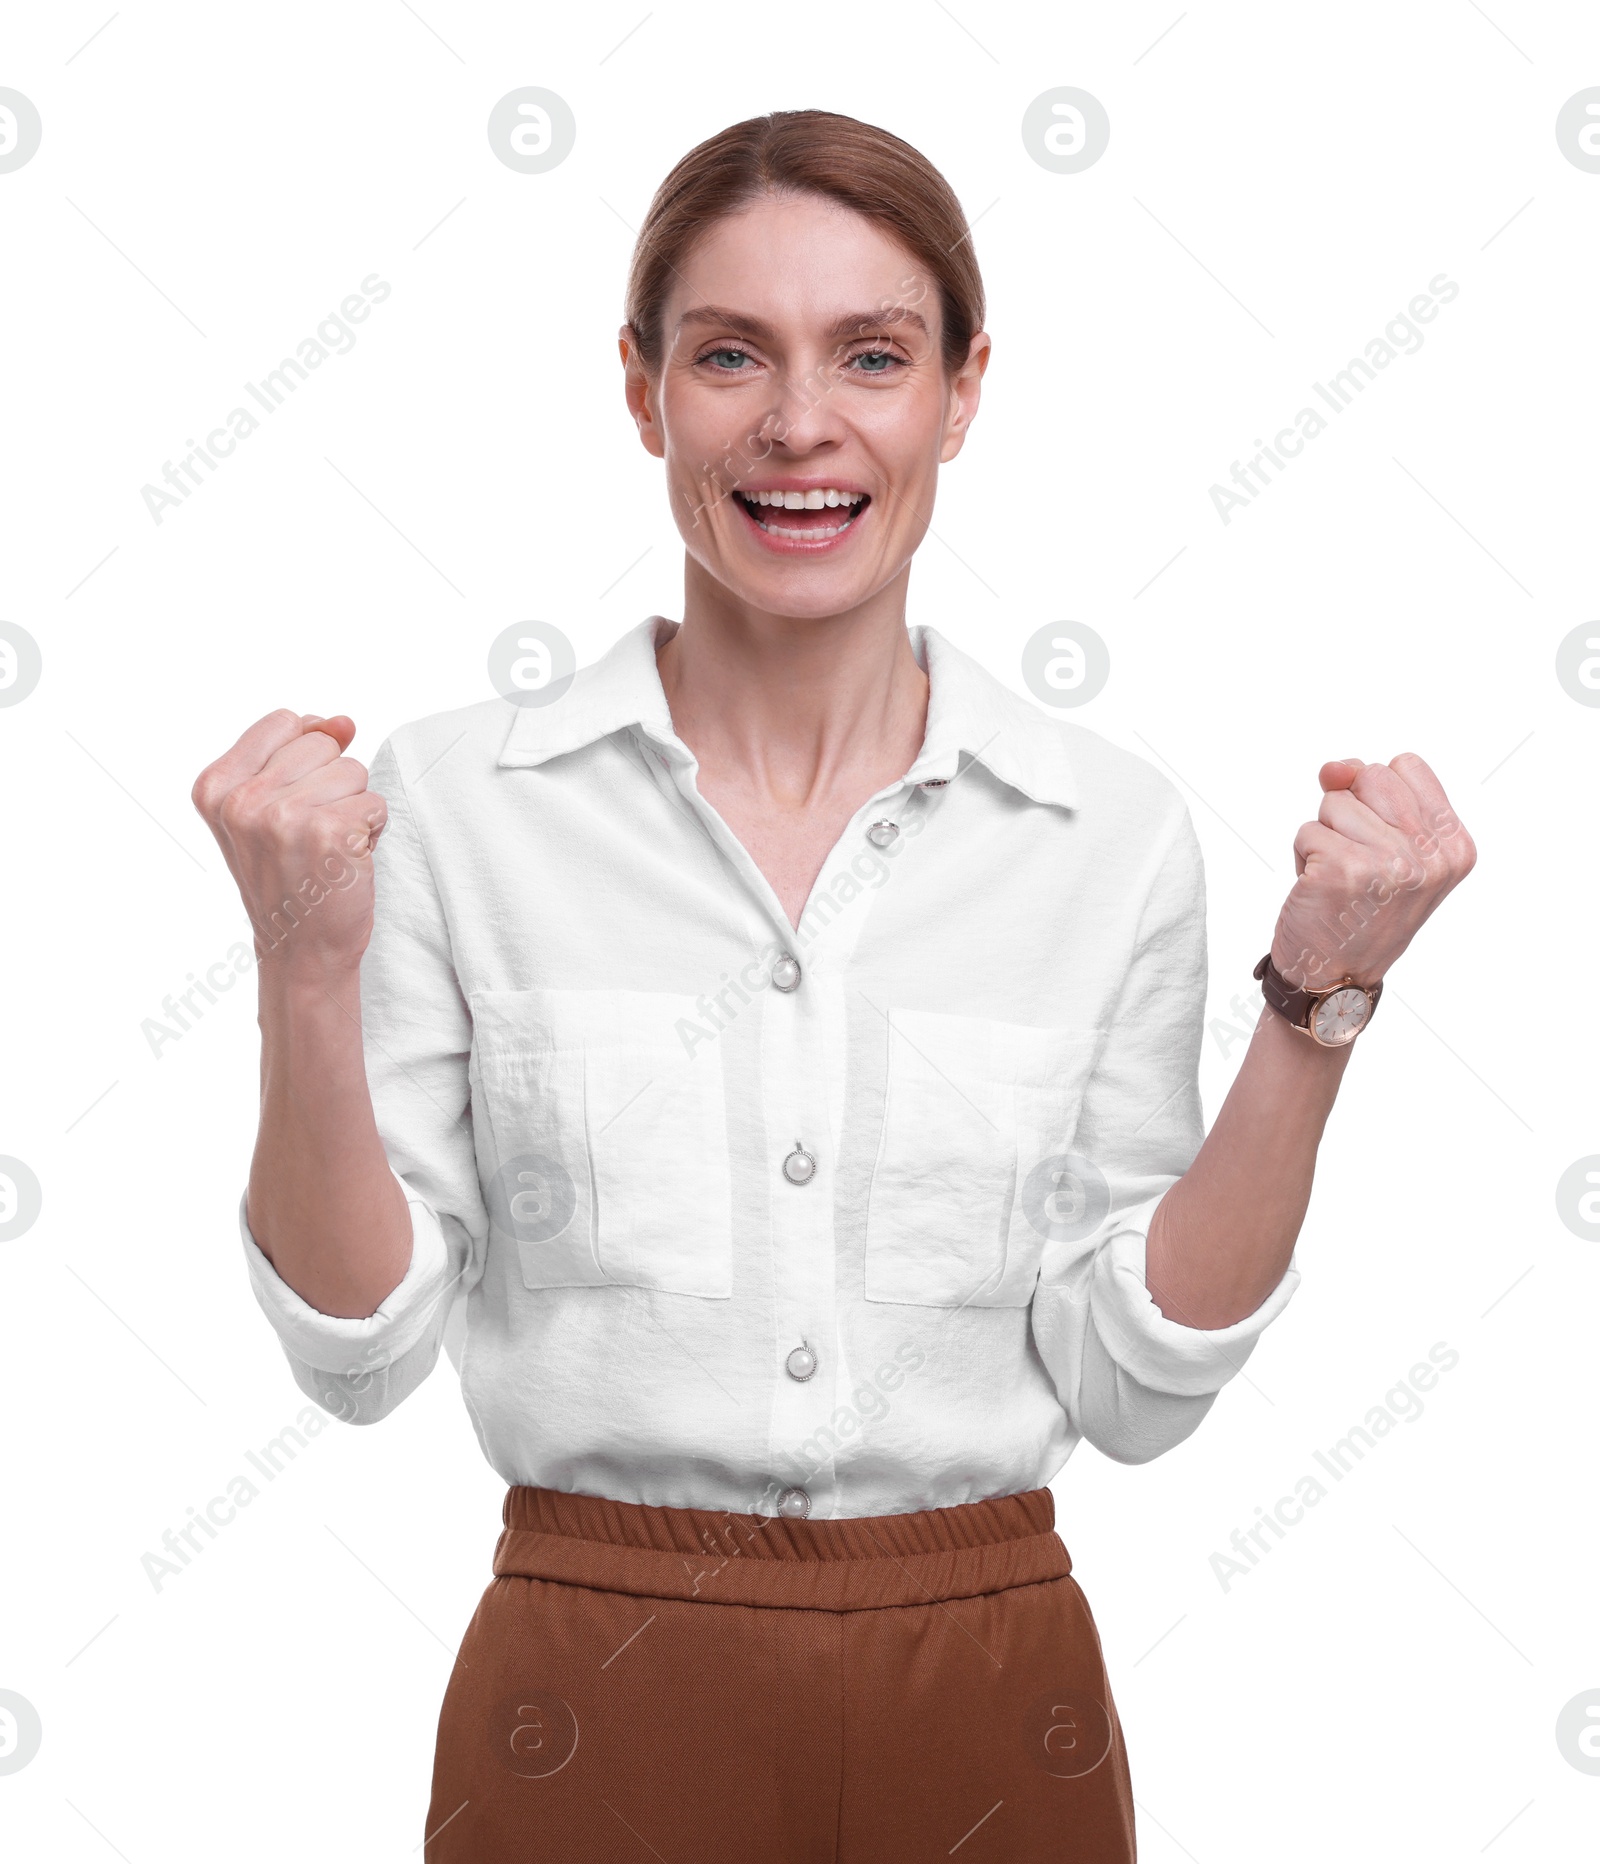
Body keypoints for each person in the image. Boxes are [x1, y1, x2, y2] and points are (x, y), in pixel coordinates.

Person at [191, 109, 1475, 1862]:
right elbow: (359, 1354)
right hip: (594, 1686)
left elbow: (1136, 1387)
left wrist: (1315, 1005)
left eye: (872, 355)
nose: (802, 425)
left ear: (960, 393)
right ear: (642, 391)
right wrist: (301, 966)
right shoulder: (448, 809)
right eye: (732, 356)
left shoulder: (1105, 835)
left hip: (992, 1676)